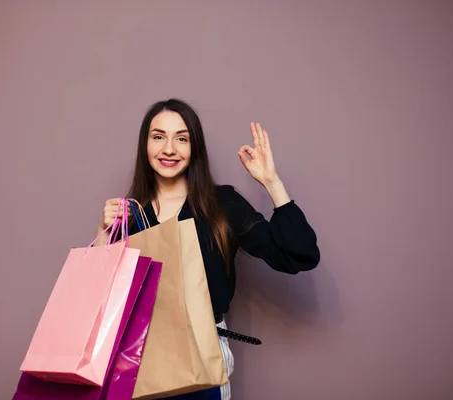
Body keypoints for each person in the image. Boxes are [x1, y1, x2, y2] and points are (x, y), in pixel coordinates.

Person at [95, 98, 320, 400]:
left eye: (182, 138)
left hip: (203, 351)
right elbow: (100, 300)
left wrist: (272, 182)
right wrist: (103, 234)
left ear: (195, 147)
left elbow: (297, 255)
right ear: (145, 146)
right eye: (158, 136)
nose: (169, 149)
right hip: (138, 357)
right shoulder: (131, 216)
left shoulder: (221, 205)